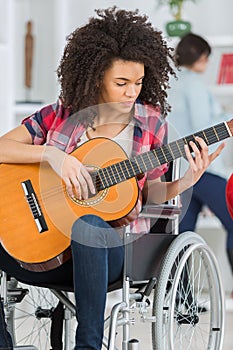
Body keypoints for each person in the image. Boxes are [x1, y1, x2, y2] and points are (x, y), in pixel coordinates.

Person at [0, 9, 223, 349]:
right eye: (121, 83)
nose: (132, 91)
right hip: (45, 246)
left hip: (112, 252)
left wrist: (186, 181)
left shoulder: (151, 124)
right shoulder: (62, 113)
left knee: (89, 222)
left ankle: (87, 345)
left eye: (138, 82)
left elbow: (150, 193)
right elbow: (4, 149)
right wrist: (52, 156)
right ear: (95, 76)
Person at [167, 33, 233, 282]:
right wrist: (225, 118)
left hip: (179, 169)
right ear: (202, 57)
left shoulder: (171, 83)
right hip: (200, 167)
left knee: (182, 235)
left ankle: (182, 301)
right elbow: (202, 129)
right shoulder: (193, 83)